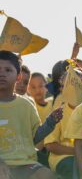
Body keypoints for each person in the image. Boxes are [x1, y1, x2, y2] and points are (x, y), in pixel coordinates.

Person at [0, 51, 63, 179]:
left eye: (8, 70)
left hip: (26, 163)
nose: (2, 73)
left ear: (18, 77)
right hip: (2, 163)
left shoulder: (27, 104)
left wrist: (50, 122)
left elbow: (34, 137)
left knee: (48, 175)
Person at [45, 67, 82, 179]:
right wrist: (78, 153)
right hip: (63, 158)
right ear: (62, 89)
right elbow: (50, 145)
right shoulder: (58, 113)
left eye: (77, 85)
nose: (72, 90)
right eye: (67, 86)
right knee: (75, 166)